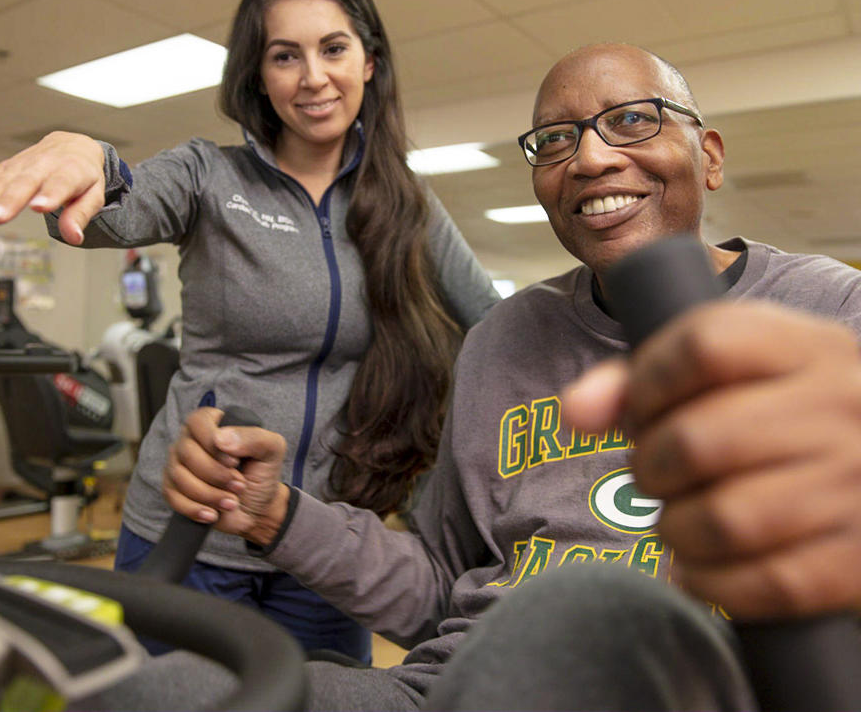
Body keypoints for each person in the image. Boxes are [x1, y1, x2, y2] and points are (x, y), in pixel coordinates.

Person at [136, 42, 861, 711]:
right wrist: (274, 513)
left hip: (704, 689)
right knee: (159, 693)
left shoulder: (829, 307)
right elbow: (437, 585)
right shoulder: (501, 339)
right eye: (555, 139)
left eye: (634, 120)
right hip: (463, 684)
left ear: (708, 155)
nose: (592, 157)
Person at [0, 0, 500, 663]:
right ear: (258, 77)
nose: (313, 77)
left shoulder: (407, 204)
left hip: (322, 540)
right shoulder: (210, 177)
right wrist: (89, 157)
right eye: (284, 56)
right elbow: (118, 209)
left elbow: (493, 323)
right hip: (189, 529)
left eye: (333, 48)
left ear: (369, 61)